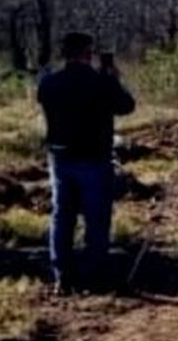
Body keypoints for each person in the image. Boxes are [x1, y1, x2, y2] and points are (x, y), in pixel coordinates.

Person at [36, 32, 136, 294]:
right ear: (87, 53)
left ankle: (63, 277)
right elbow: (126, 106)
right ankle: (94, 277)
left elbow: (43, 98)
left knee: (62, 216)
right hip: (93, 159)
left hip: (60, 158)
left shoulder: (49, 83)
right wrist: (113, 79)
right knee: (96, 218)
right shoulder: (100, 83)